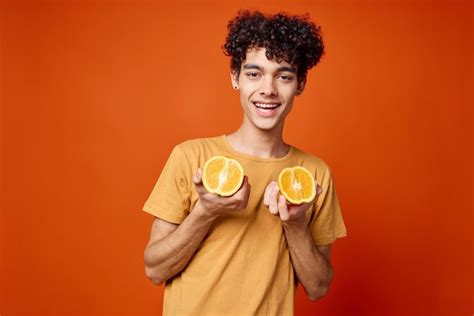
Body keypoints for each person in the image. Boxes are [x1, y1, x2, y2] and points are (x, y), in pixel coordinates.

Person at [142, 10, 347, 315]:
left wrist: (296, 225)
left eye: (284, 76)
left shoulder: (313, 176)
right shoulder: (190, 157)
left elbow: (318, 288)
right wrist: (205, 212)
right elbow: (155, 270)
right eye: (254, 73)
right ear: (235, 77)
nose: (268, 89)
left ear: (300, 84)